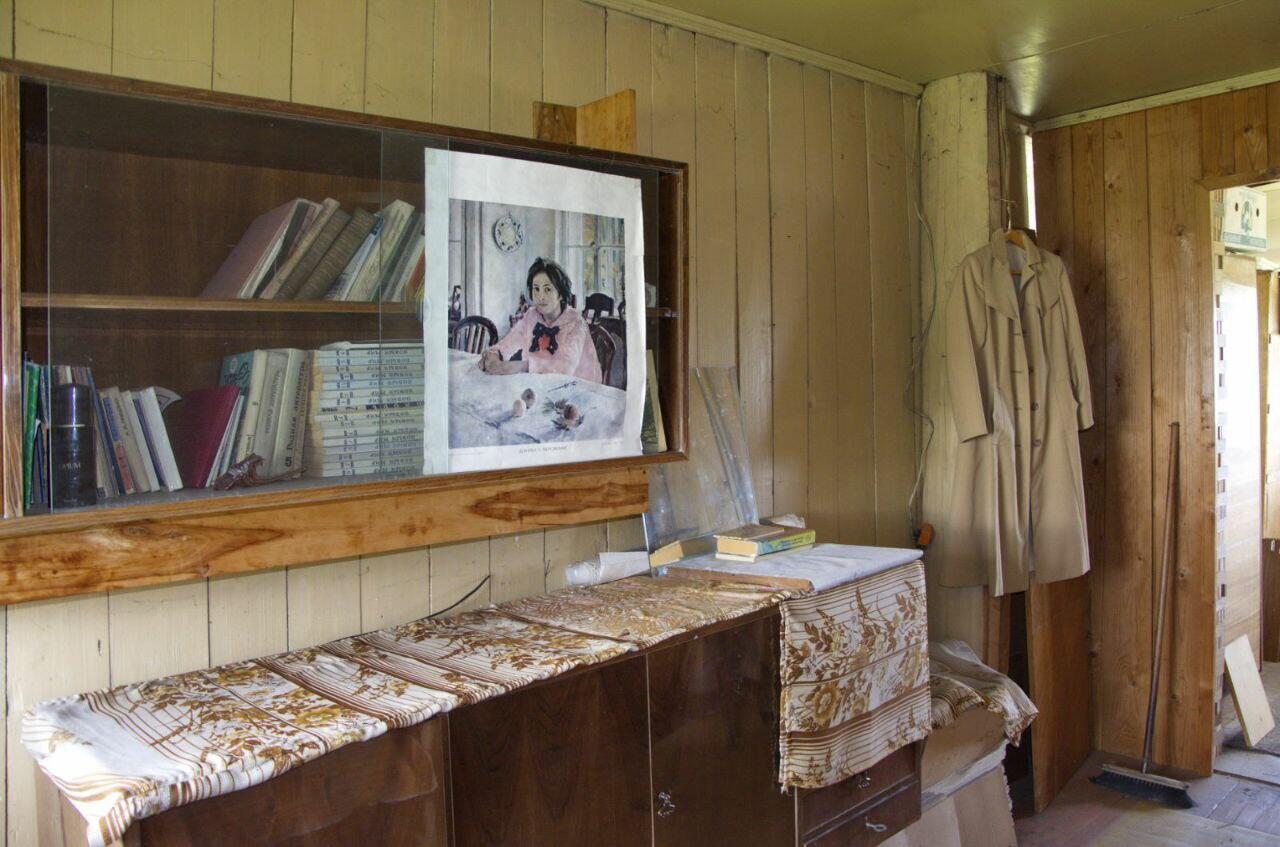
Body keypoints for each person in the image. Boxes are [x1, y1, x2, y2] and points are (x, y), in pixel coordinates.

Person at [479, 258, 603, 383]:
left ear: (560, 294)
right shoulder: (531, 316)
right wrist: (494, 354)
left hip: (578, 388)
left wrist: (521, 366)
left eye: (547, 289)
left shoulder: (576, 323)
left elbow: (564, 368)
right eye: (536, 289)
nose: (540, 297)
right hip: (539, 384)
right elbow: (508, 342)